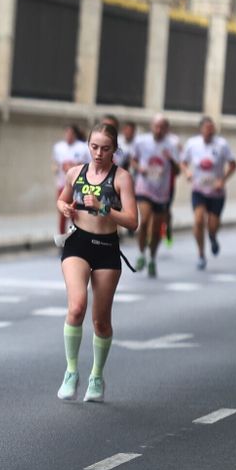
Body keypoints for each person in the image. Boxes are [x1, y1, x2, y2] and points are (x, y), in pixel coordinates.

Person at [54, 122, 137, 403]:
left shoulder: (121, 178)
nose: (99, 153)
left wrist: (105, 208)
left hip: (106, 248)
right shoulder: (75, 173)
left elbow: (132, 221)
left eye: (105, 148)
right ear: (88, 145)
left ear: (115, 150)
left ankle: (97, 375)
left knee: (100, 321)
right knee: (76, 307)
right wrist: (64, 207)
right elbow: (62, 200)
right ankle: (71, 371)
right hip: (78, 243)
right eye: (94, 147)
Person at [180, 117, 236, 270]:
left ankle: (212, 237)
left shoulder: (222, 144)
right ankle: (200, 254)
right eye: (206, 129)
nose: (209, 132)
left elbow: (233, 165)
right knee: (198, 221)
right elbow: (183, 162)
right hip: (198, 189)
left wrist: (223, 180)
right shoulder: (192, 143)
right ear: (201, 130)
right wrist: (187, 172)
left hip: (216, 192)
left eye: (212, 129)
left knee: (212, 225)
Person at [130, 116, 180, 277]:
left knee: (157, 228)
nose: (158, 130)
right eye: (156, 127)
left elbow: (178, 170)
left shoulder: (172, 145)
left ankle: (152, 258)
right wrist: (140, 169)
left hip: (162, 192)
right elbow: (133, 160)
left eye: (162, 127)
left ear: (167, 129)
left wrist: (171, 160)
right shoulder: (141, 141)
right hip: (144, 188)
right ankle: (141, 254)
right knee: (144, 221)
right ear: (151, 126)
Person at [52, 123, 91, 235]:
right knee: (62, 211)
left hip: (77, 186)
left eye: (70, 133)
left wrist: (76, 167)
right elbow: (54, 164)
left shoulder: (83, 147)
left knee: (75, 213)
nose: (68, 135)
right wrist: (56, 169)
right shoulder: (58, 147)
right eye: (66, 133)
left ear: (74, 134)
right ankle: (62, 238)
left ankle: (76, 235)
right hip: (62, 184)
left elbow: (89, 165)